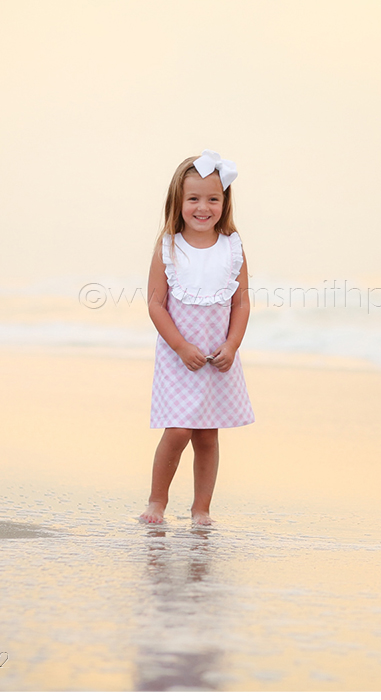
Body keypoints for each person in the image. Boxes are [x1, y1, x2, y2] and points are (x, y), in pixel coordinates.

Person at [140, 149, 255, 526]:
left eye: (212, 199)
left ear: (225, 202)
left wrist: (233, 344)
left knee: (207, 435)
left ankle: (201, 508)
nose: (203, 207)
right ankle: (157, 502)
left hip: (217, 358)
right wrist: (181, 346)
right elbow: (157, 305)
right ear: (179, 201)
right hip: (179, 357)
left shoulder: (232, 248)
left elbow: (240, 303)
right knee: (178, 430)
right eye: (193, 199)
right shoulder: (169, 247)